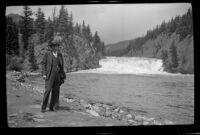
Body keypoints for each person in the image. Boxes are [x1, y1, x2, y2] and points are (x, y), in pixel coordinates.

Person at [41, 42, 66, 113]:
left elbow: (62, 66)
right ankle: (43, 107)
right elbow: (43, 64)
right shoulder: (47, 54)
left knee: (56, 92)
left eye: (56, 46)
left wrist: (63, 75)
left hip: (57, 76)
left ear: (58, 47)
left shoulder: (60, 55)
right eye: (53, 46)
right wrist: (44, 74)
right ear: (51, 47)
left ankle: (52, 107)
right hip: (50, 75)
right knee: (48, 90)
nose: (55, 48)